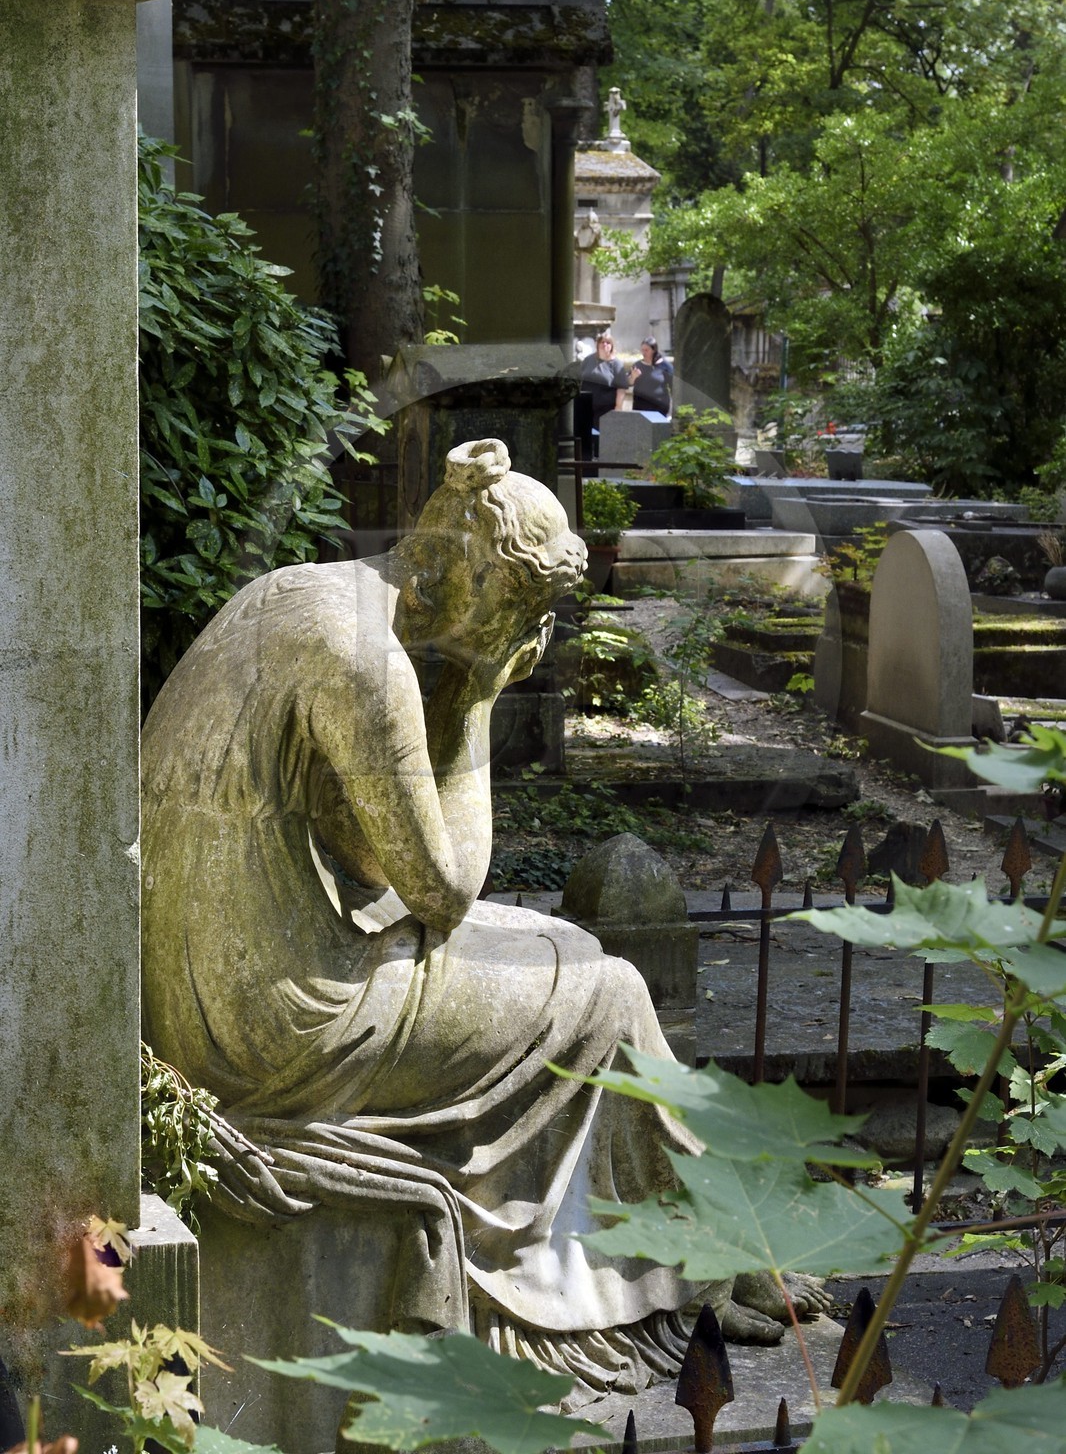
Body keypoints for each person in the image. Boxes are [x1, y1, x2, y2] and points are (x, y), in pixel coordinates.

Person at [140, 439, 820, 1413]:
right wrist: (480, 698)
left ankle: (708, 1245)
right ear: (478, 588)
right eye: (525, 613)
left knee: (568, 951)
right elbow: (448, 889)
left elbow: (361, 849)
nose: (530, 633)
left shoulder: (300, 590)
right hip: (286, 1024)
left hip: (204, 984)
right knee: (607, 987)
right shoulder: (365, 662)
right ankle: (698, 1261)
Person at [580, 331, 629, 427]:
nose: (604, 344)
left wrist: (618, 408)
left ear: (612, 346)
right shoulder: (588, 360)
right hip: (585, 407)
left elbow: (621, 388)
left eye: (608, 342)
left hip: (605, 410)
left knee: (602, 439)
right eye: (602, 342)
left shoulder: (616, 364)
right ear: (597, 344)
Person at [629, 335, 673, 417]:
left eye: (646, 350)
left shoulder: (665, 366)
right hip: (640, 409)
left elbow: (674, 387)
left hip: (660, 410)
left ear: (654, 350)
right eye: (642, 350)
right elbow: (628, 383)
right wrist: (633, 377)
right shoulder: (637, 365)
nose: (644, 353)